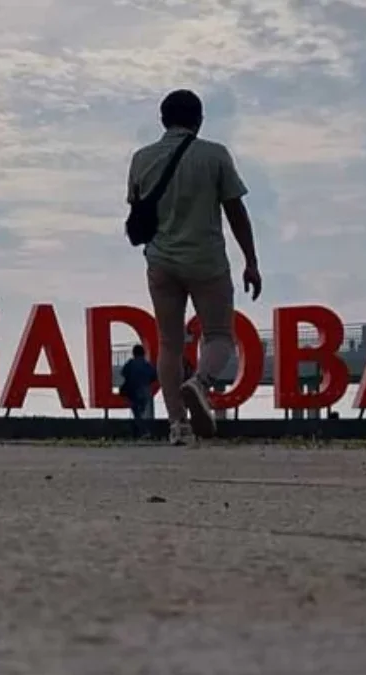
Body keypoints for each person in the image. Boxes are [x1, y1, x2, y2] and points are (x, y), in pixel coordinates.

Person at [127, 89, 262, 445]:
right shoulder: (214, 155)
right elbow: (236, 212)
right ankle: (199, 383)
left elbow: (137, 210)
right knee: (219, 336)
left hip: (160, 261)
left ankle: (178, 427)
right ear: (199, 120)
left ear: (162, 120)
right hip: (207, 261)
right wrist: (251, 261)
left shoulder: (141, 159)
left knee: (169, 344)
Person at [119, 344, 158, 438]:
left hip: (133, 391)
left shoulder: (131, 363)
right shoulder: (147, 364)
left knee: (137, 412)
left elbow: (123, 373)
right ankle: (146, 431)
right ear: (143, 353)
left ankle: (142, 432)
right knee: (144, 412)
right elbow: (154, 375)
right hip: (145, 390)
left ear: (133, 353)